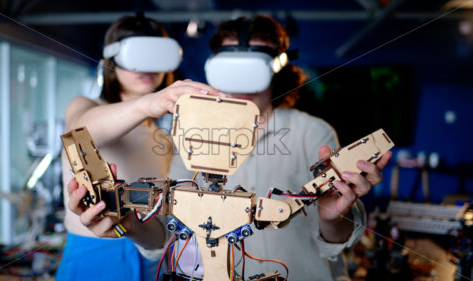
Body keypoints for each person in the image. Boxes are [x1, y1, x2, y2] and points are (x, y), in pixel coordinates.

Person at [167, 15, 392, 280]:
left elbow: (337, 241)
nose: (242, 82)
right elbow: (170, 224)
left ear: (278, 68)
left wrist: (332, 219)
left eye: (254, 69)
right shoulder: (188, 134)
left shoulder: (313, 133)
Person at [56, 15, 218, 281]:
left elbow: (160, 229)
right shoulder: (85, 106)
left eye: (156, 56)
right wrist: (149, 103)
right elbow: (80, 132)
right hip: (91, 262)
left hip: (150, 263)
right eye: (137, 56)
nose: (147, 67)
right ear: (112, 61)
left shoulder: (166, 140)